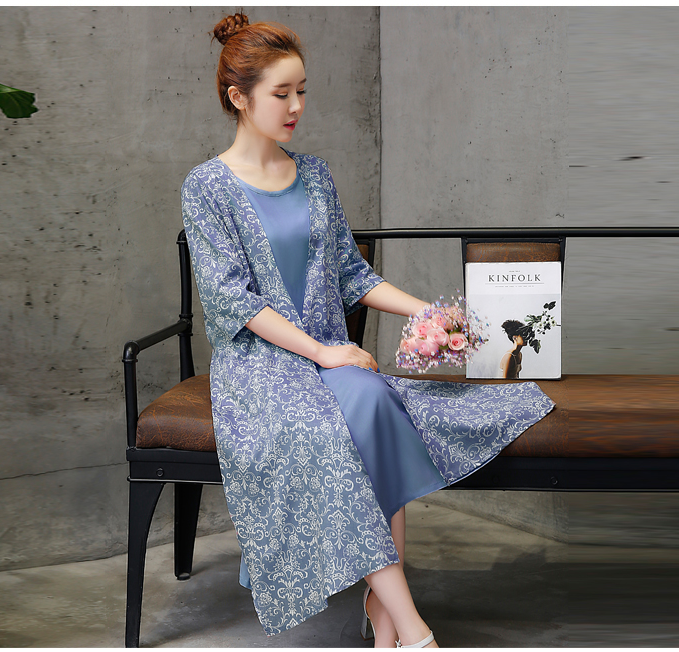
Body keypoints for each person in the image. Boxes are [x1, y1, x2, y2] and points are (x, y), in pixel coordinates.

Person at [181, 13, 555, 646]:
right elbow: (230, 301)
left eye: (303, 91)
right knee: (327, 430)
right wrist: (322, 352)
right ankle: (410, 627)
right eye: (282, 93)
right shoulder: (206, 188)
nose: (297, 106)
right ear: (238, 97)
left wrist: (429, 313)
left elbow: (353, 274)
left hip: (330, 353)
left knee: (377, 403)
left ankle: (385, 619)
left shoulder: (315, 175)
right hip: (262, 366)